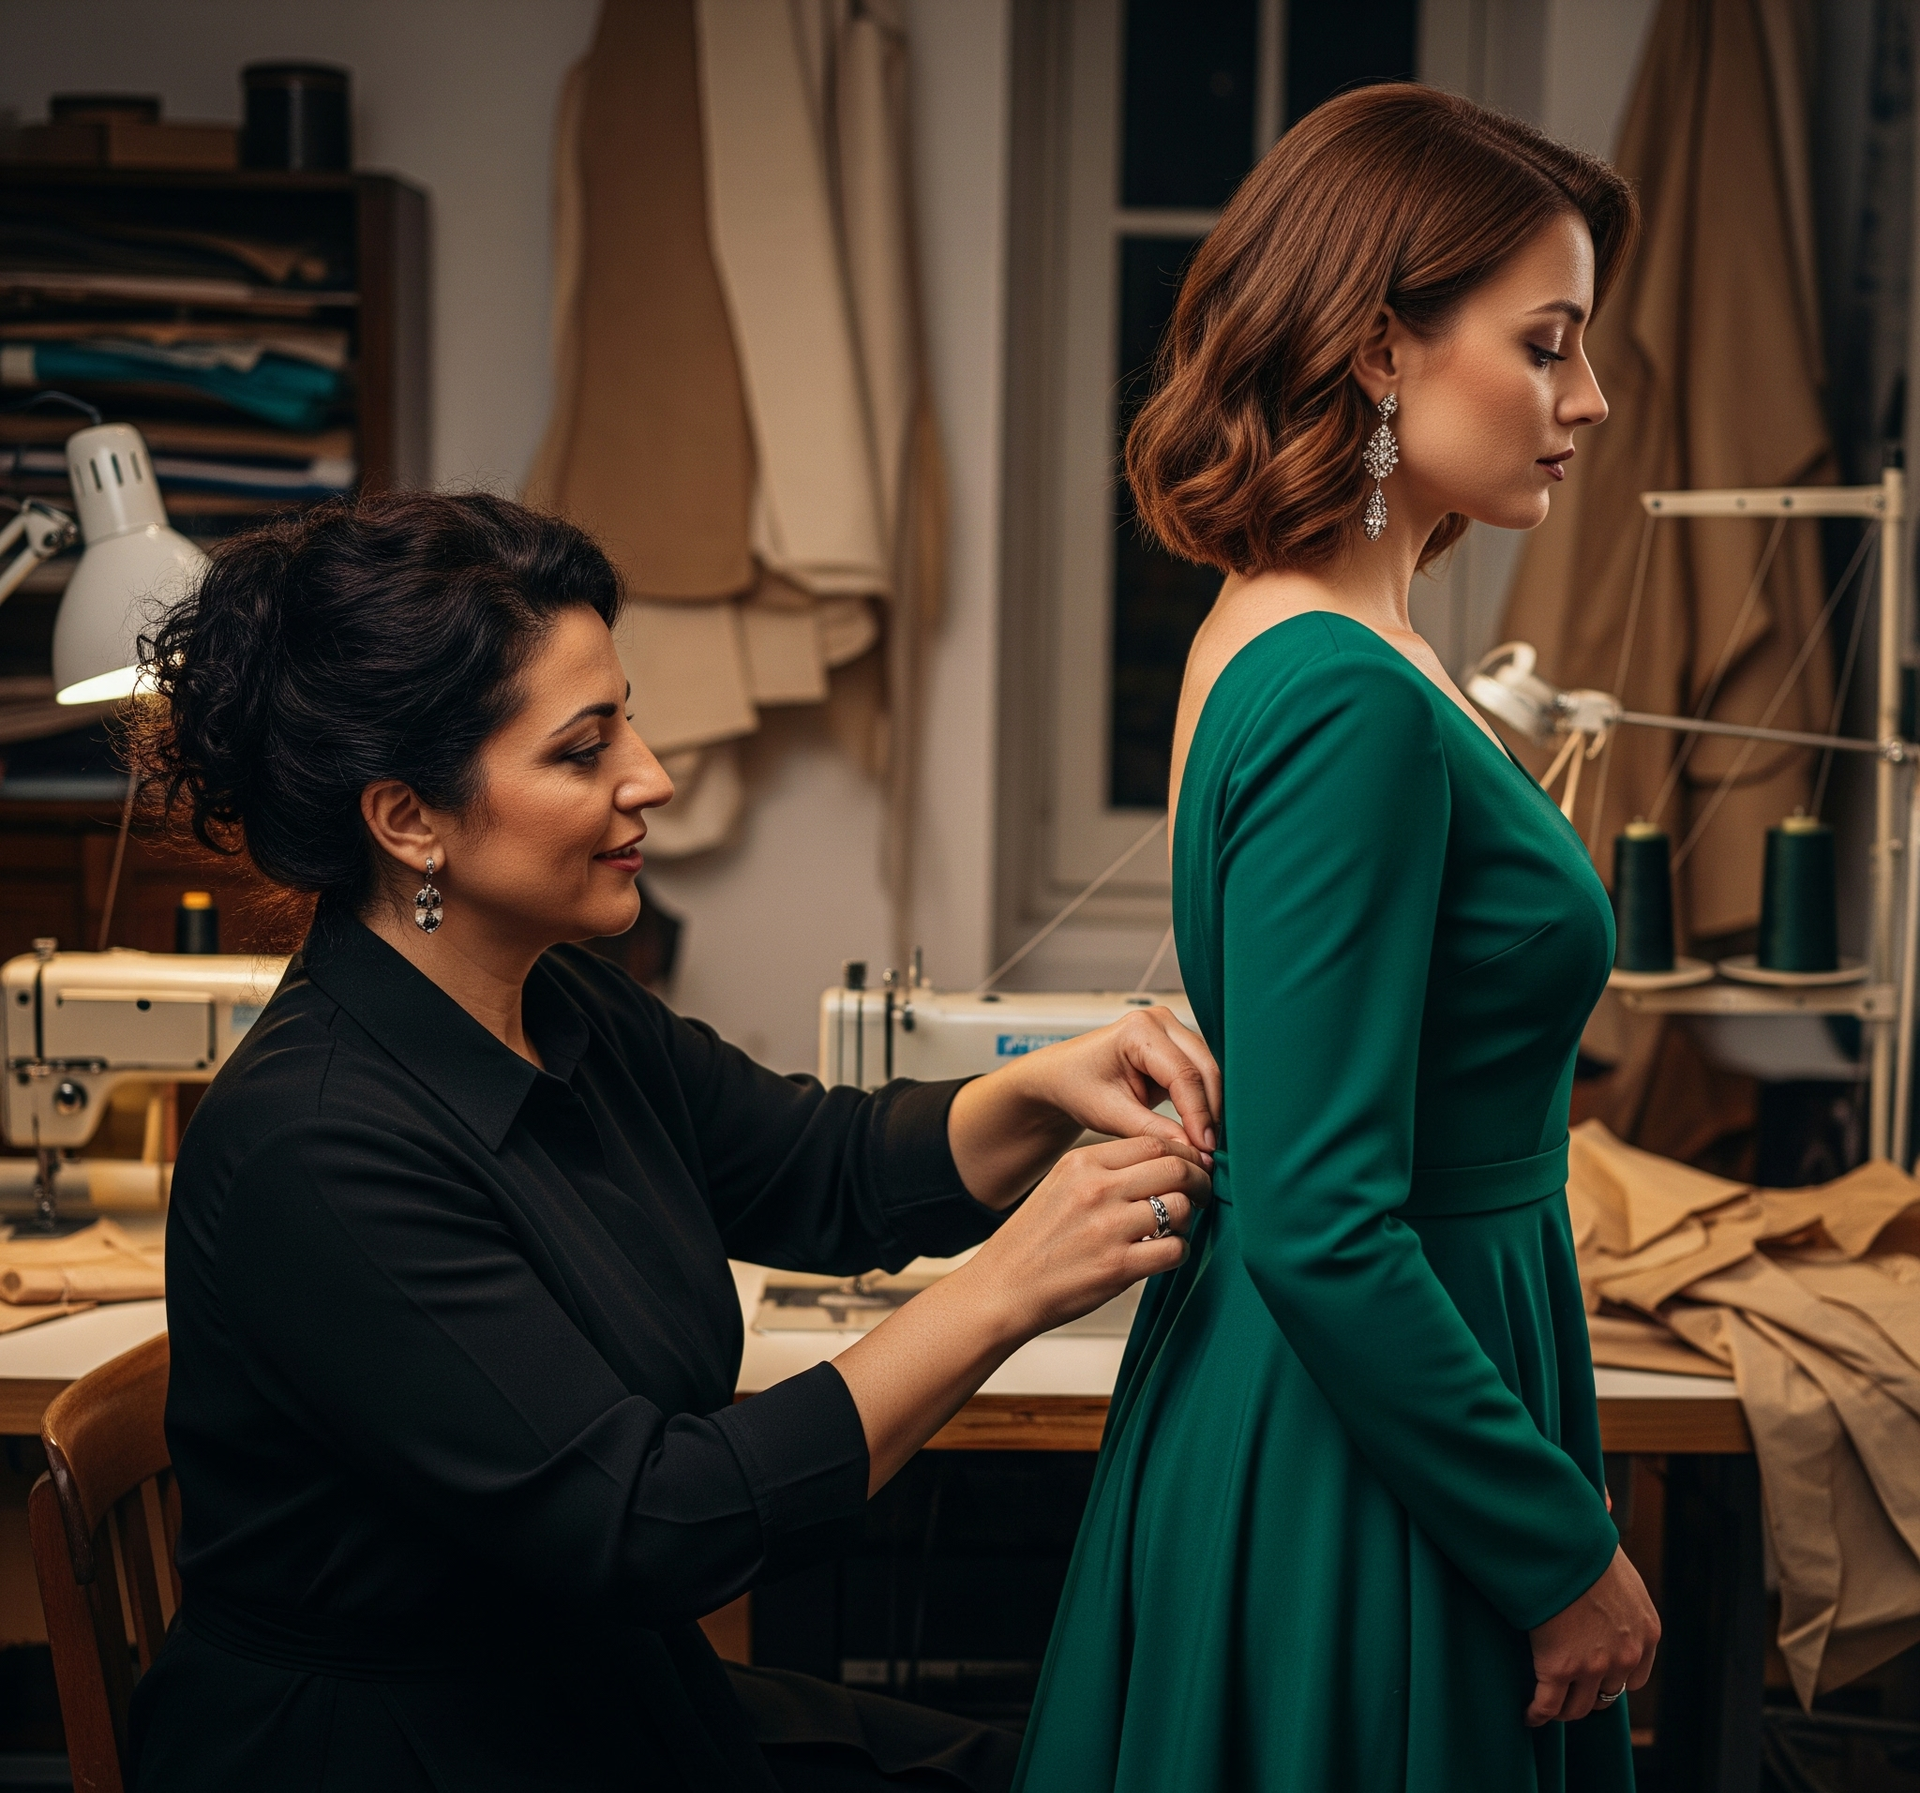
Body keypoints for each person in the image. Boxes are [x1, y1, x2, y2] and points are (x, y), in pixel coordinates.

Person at [124, 491, 1218, 1793]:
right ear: (408, 819)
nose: (651, 773)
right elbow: (651, 1520)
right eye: (586, 749)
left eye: (626, 720)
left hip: (570, 1686)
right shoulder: (315, 1149)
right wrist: (1007, 1289)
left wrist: (1041, 1092)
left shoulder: (558, 1004)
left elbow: (828, 1169)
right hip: (399, 1750)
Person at [1014, 85, 1661, 1792]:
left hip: (1366, 1385)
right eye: (1546, 345)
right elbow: (1321, 1219)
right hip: (1369, 1431)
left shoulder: (1299, 633)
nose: (1586, 399)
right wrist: (1552, 1544)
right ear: (1383, 352)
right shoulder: (1339, 693)